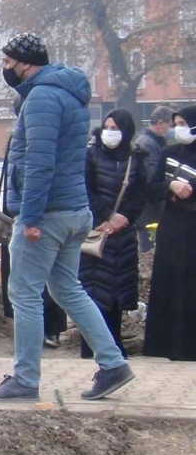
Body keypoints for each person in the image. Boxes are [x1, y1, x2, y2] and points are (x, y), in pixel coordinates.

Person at [0, 32, 134, 401]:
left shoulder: (42, 98)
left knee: (24, 292)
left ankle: (26, 378)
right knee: (67, 288)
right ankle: (113, 364)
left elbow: (39, 162)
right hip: (73, 210)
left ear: (24, 63)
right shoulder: (69, 93)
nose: (4, 68)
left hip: (47, 214)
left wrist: (29, 217)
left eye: (7, 61)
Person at [0, 95, 67, 348]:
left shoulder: (44, 138)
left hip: (38, 218)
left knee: (50, 284)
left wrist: (30, 218)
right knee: (24, 284)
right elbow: (10, 176)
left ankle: (49, 332)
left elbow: (36, 177)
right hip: (19, 214)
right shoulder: (18, 137)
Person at [79, 110, 146, 359]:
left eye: (115, 127)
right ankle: (90, 348)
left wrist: (122, 219)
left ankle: (115, 347)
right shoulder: (91, 155)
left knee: (118, 293)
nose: (109, 132)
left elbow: (140, 194)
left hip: (123, 235)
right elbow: (87, 188)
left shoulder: (136, 157)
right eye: (107, 126)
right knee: (93, 291)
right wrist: (106, 216)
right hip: (95, 232)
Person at [143, 106, 196, 361]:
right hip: (173, 230)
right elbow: (151, 188)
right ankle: (169, 346)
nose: (179, 129)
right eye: (177, 123)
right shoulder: (169, 153)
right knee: (172, 286)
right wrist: (170, 185)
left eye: (185, 123)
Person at [134, 105, 174, 253]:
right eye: (172, 125)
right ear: (160, 124)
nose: (173, 130)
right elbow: (151, 179)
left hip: (153, 209)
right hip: (149, 211)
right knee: (149, 251)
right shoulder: (147, 145)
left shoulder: (156, 142)